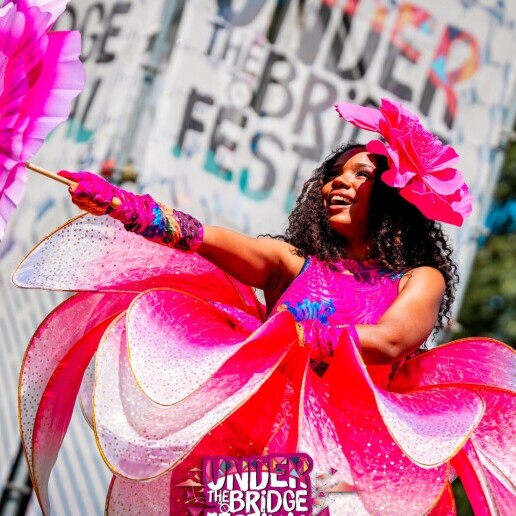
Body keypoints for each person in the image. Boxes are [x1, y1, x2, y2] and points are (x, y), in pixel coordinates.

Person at [15, 99, 515, 515]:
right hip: (252, 462)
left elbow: (389, 342)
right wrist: (127, 208)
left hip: (349, 478)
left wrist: (304, 335)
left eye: (358, 174)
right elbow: (198, 237)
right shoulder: (292, 263)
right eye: (332, 176)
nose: (333, 185)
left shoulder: (417, 278)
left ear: (393, 194)